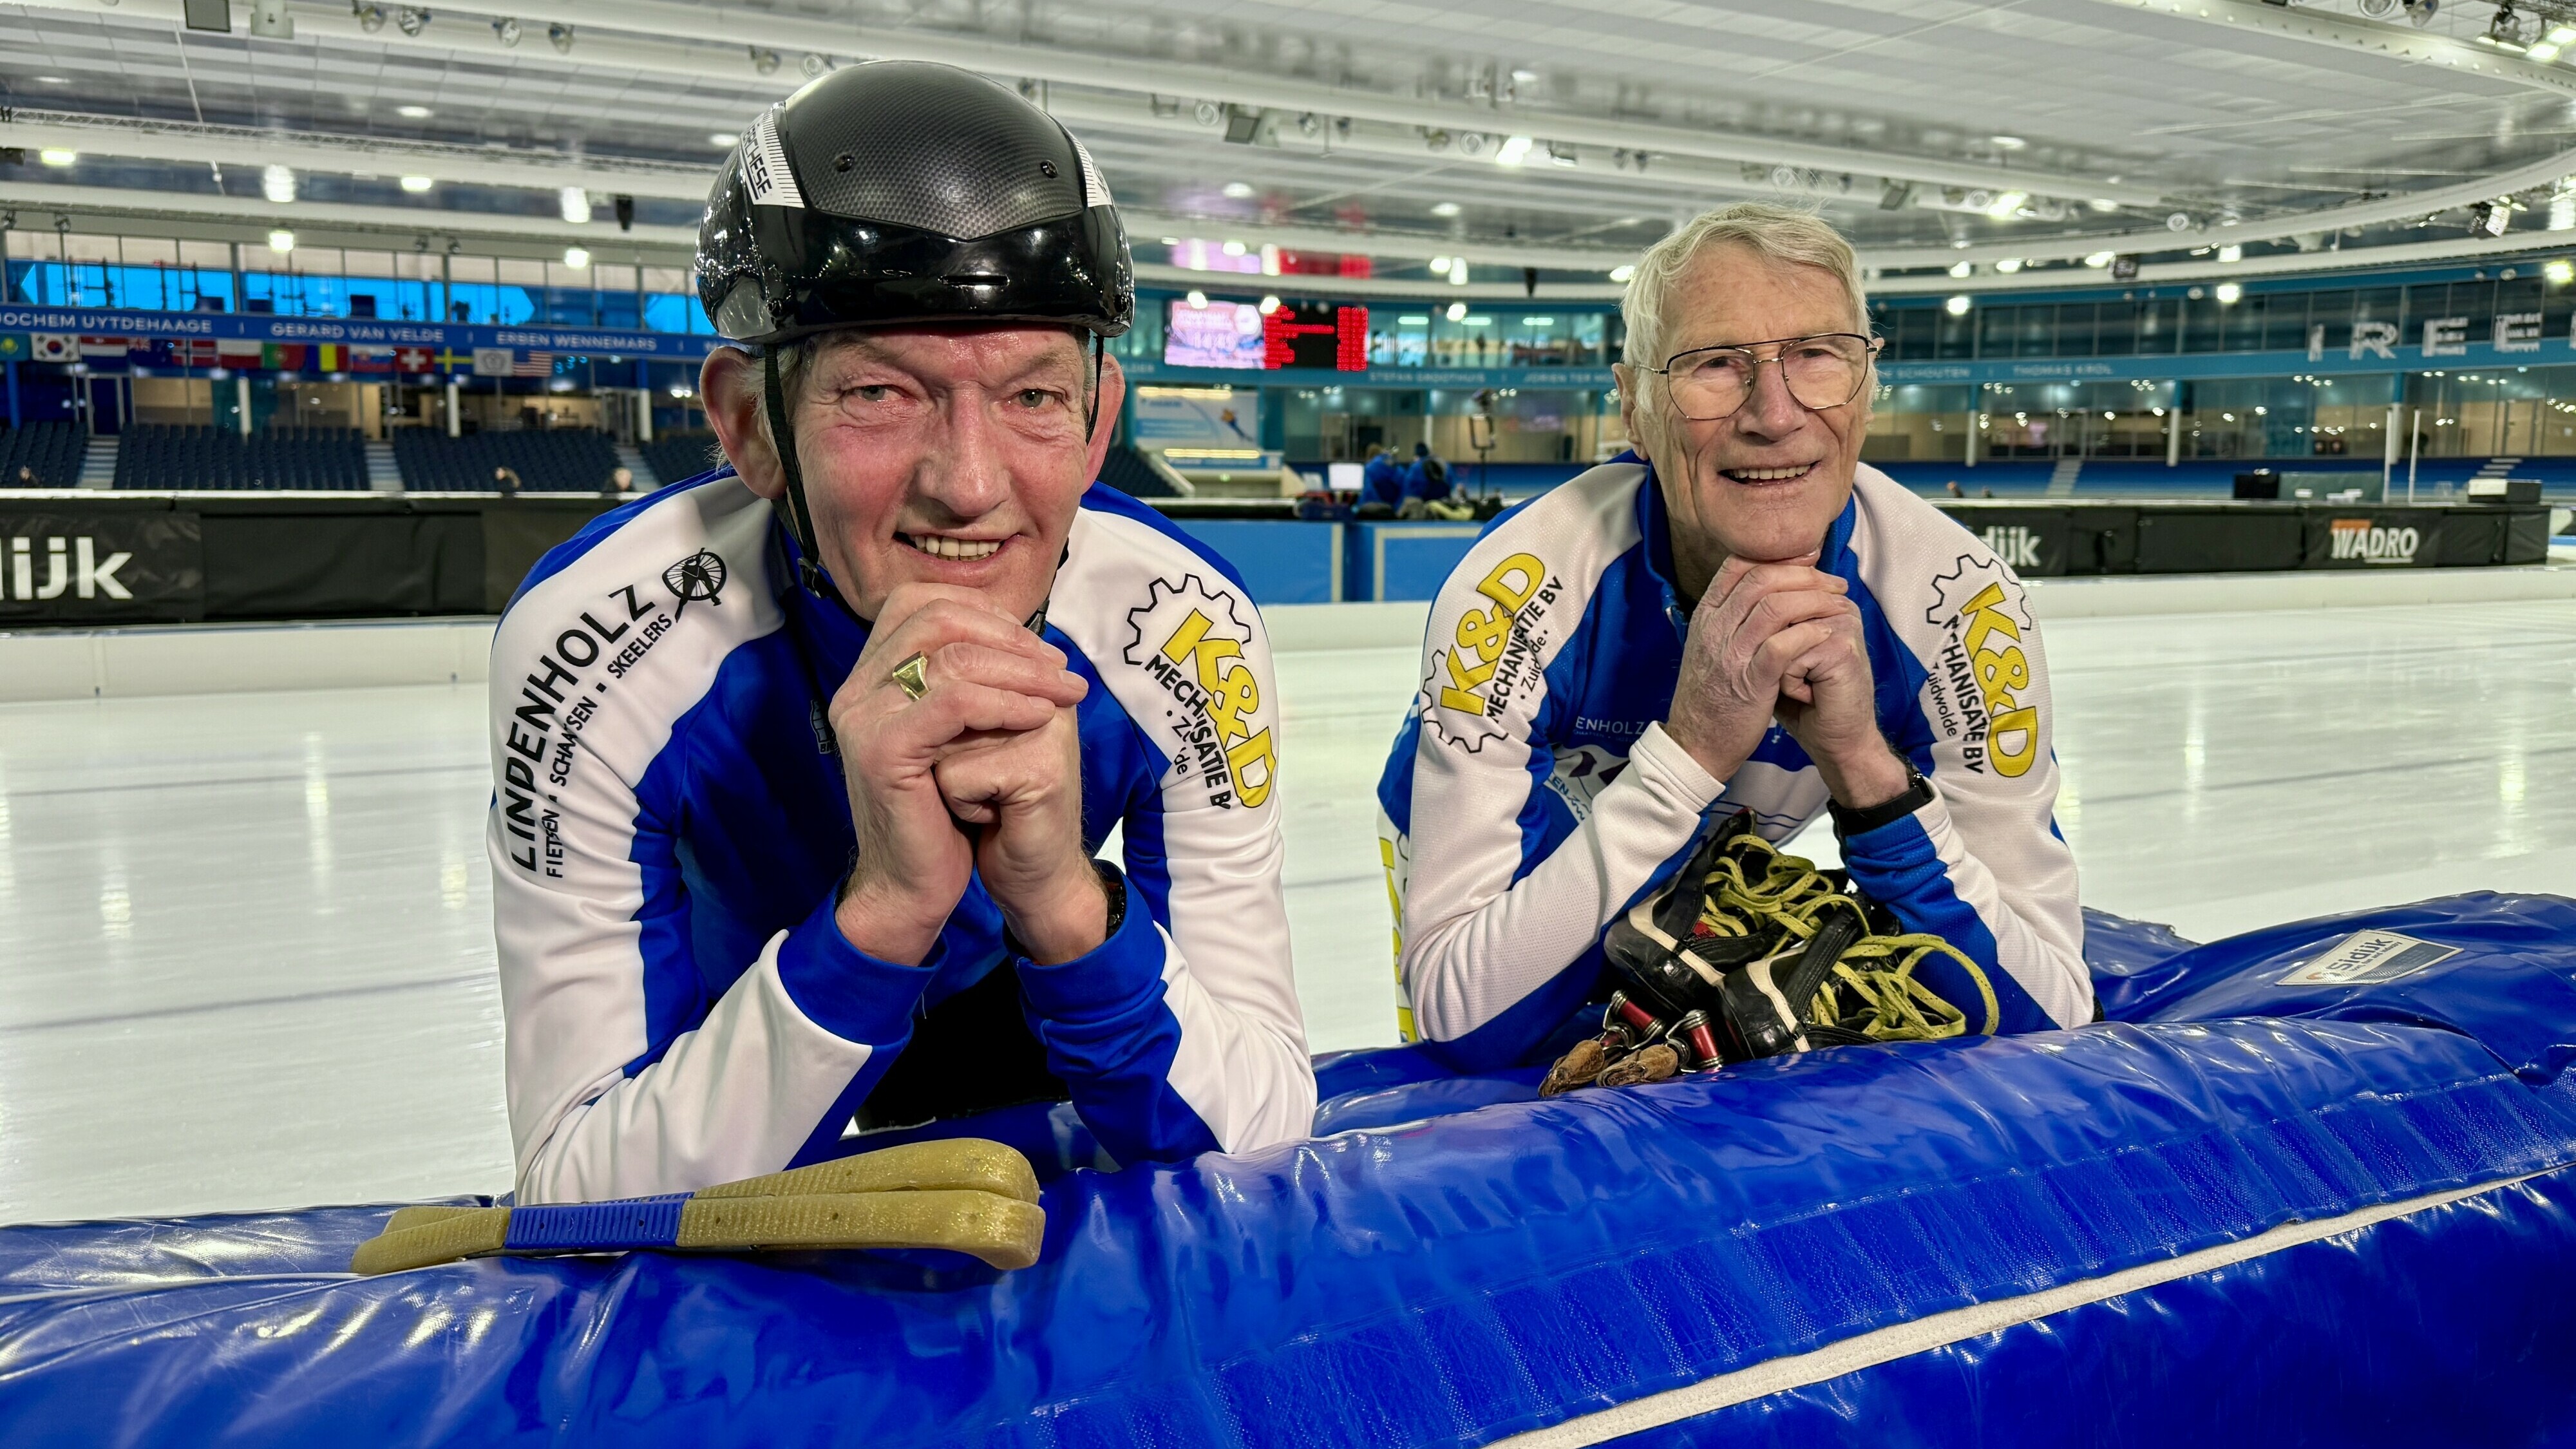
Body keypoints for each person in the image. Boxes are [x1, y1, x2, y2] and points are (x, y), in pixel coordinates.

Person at [488, 61, 1313, 1205]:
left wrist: (1069, 905)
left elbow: (1263, 1128)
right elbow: (580, 1189)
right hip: (742, 995)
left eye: (1031, 397)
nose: (970, 487)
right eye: (879, 393)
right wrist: (885, 912)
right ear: (750, 426)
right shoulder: (595, 646)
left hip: (1005, 980)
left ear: (1096, 425)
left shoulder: (1185, 630)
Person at [1375, 202, 2089, 1070]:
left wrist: (1866, 772)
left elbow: (2051, 1007)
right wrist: (1690, 753)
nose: (1775, 413)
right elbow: (1465, 1014)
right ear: (1635, 410)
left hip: (1685, 843)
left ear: (1867, 388)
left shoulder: (1957, 606)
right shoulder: (1515, 596)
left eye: (1818, 355)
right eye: (1715, 364)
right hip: (1519, 845)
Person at [1358, 443, 1403, 511]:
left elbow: (1368, 493)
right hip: (1395, 511)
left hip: (1374, 511)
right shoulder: (1399, 469)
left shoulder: (1370, 469)